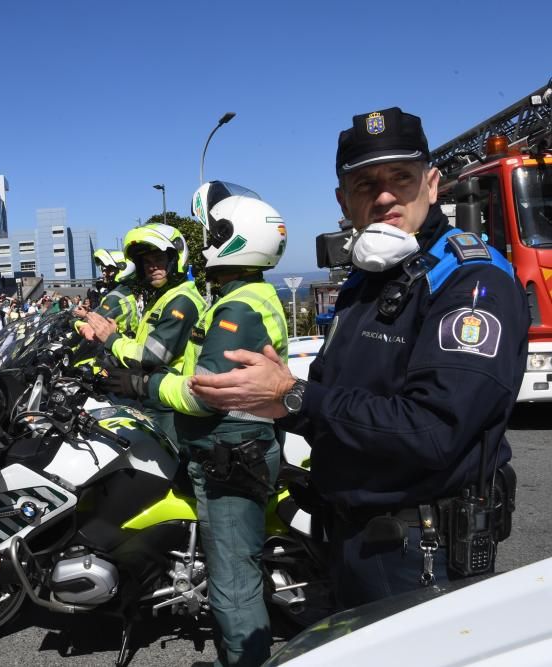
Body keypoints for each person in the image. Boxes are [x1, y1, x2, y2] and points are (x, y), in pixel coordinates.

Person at [190, 107, 529, 608]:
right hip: (351, 536)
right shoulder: (366, 280)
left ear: (432, 185)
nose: (386, 195)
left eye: (401, 178)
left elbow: (433, 432)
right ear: (343, 200)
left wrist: (294, 395)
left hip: (420, 551)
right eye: (365, 184)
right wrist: (271, 404)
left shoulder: (472, 283)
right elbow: (336, 396)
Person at [103, 195, 290, 667]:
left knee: (233, 579)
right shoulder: (238, 297)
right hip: (223, 447)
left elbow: (204, 394)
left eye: (218, 235)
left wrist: (143, 383)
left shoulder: (241, 308)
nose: (209, 244)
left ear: (240, 239)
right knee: (226, 567)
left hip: (231, 452)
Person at [84, 223, 205, 439]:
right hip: (153, 393)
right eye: (147, 262)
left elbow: (152, 356)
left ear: (174, 259)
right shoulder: (162, 298)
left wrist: (112, 339)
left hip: (169, 403)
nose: (152, 267)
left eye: (159, 259)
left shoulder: (181, 301)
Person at [78, 249, 138, 340]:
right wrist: (89, 312)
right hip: (124, 340)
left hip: (117, 343)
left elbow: (95, 325)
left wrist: (73, 322)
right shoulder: (123, 291)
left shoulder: (115, 296)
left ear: (123, 269)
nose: (104, 273)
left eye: (109, 269)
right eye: (104, 269)